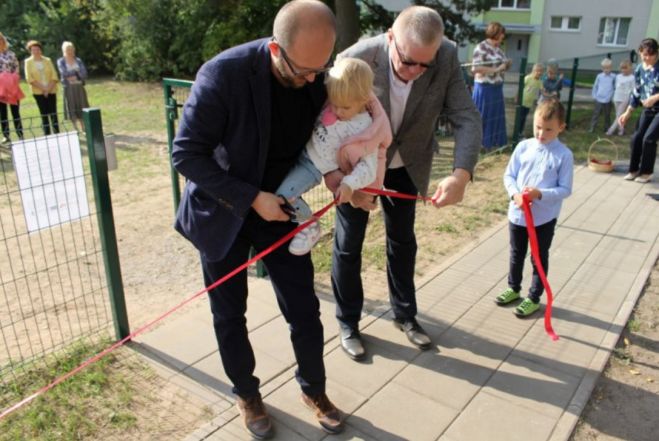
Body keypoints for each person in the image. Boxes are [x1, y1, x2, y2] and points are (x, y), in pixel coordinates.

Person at [171, 1, 343, 438]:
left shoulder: (319, 74)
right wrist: (251, 198)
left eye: (319, 70)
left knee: (304, 308)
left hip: (280, 207)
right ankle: (247, 393)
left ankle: (314, 389)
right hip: (224, 209)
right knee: (230, 314)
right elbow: (186, 153)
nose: (312, 81)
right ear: (274, 50)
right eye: (303, 70)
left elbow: (329, 137)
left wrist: (342, 175)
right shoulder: (223, 74)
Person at [331, 6, 481, 361]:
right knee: (349, 244)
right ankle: (348, 322)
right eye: (407, 61)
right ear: (390, 38)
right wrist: (347, 179)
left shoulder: (445, 57)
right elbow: (330, 125)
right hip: (359, 171)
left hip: (406, 167)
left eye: (423, 66)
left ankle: (405, 315)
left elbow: (465, 116)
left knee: (403, 241)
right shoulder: (355, 59)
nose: (414, 72)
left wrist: (461, 174)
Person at [276, 57, 390, 256]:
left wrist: (348, 184)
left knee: (285, 194)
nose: (337, 111)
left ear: (364, 100)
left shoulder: (364, 129)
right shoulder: (339, 100)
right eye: (334, 104)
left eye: (345, 108)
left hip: (313, 167)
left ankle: (309, 224)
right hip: (301, 152)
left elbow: (368, 168)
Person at [495, 99, 573, 317]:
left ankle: (533, 297)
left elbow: (565, 189)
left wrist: (540, 194)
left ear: (561, 127)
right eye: (538, 127)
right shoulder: (523, 147)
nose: (541, 133)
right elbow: (509, 175)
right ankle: (513, 287)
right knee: (516, 252)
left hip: (543, 218)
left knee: (538, 256)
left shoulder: (563, 155)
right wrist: (515, 194)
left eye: (548, 129)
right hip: (518, 214)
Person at [619, 38, 659, 184]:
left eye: (650, 55)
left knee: (648, 139)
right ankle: (634, 170)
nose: (646, 57)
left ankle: (646, 172)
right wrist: (627, 112)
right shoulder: (639, 69)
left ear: (656, 54)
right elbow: (636, 92)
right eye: (643, 54)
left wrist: (655, 97)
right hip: (648, 109)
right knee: (636, 138)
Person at [471, 21, 512, 150]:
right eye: (501, 34)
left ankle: (494, 143)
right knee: (483, 116)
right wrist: (495, 70)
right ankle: (481, 144)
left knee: (495, 117)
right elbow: (475, 68)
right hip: (485, 88)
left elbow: (502, 65)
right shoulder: (481, 48)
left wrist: (506, 65)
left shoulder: (499, 49)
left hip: (497, 87)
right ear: (495, 33)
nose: (503, 37)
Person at [24, 40, 59, 136]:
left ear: (41, 50)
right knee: (44, 114)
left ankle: (57, 133)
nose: (36, 51)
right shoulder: (28, 62)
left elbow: (54, 76)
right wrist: (43, 89)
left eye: (37, 49)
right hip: (38, 92)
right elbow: (29, 78)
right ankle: (47, 135)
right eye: (33, 50)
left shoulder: (47, 60)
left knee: (53, 113)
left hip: (51, 90)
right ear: (30, 51)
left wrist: (48, 89)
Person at [57, 41, 89, 132]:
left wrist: (74, 75)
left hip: (79, 86)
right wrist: (76, 73)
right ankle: (76, 128)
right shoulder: (61, 61)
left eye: (71, 49)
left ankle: (84, 127)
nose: (70, 51)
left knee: (82, 106)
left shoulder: (78, 60)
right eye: (68, 50)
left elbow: (84, 74)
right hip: (69, 88)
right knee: (72, 106)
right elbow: (64, 73)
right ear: (64, 50)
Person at [0, 32, 24, 144]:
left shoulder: (11, 54)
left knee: (15, 111)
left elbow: (16, 67)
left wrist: (14, 79)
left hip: (12, 86)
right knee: (2, 112)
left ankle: (20, 134)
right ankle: (6, 135)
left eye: (1, 40)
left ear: (3, 41)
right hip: (0, 88)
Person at [606, 60, 635, 136]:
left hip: (624, 98)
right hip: (616, 97)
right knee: (618, 115)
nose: (624, 70)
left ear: (630, 68)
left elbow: (633, 88)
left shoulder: (632, 78)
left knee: (619, 115)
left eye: (625, 68)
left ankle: (610, 130)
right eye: (622, 68)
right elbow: (616, 86)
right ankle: (621, 130)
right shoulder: (618, 76)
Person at [588, 58, 615, 133]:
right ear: (602, 68)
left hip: (608, 99)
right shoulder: (599, 76)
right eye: (604, 68)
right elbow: (595, 86)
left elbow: (615, 87)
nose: (606, 70)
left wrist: (612, 97)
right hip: (599, 98)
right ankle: (592, 127)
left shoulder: (613, 77)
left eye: (608, 68)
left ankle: (606, 128)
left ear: (611, 68)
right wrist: (594, 96)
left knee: (607, 115)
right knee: (596, 114)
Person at [519, 63, 544, 138]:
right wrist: (517, 96)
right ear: (533, 71)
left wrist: (550, 95)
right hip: (522, 101)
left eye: (541, 71)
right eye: (537, 71)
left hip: (529, 103)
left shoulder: (539, 82)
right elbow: (521, 87)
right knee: (520, 118)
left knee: (524, 118)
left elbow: (543, 91)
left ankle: (520, 132)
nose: (539, 73)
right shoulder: (528, 78)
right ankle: (517, 132)